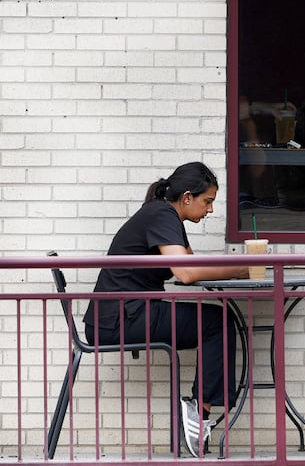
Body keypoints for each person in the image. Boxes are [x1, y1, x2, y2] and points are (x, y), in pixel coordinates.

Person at [83, 162, 248, 457]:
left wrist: (229, 268)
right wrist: (238, 270)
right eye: (207, 201)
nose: (210, 210)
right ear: (187, 197)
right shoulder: (162, 213)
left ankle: (200, 410)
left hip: (122, 315)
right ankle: (199, 412)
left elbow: (189, 262)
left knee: (218, 319)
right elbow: (185, 273)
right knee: (218, 321)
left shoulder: (165, 215)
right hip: (122, 319)